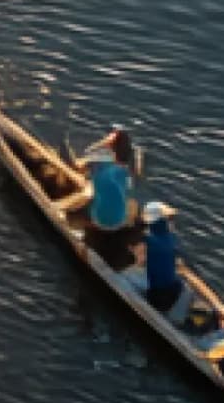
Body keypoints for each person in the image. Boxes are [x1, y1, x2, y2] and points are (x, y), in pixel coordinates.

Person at [77, 128, 141, 259]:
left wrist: (102, 144)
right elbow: (136, 171)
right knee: (129, 201)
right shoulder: (128, 171)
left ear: (111, 147)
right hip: (120, 220)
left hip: (100, 221)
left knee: (88, 194)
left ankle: (87, 239)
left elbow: (82, 159)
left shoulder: (100, 166)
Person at [136, 203, 187, 309]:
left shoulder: (148, 241)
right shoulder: (172, 237)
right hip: (175, 290)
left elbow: (140, 263)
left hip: (156, 298)